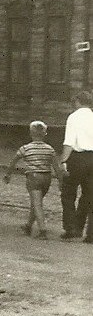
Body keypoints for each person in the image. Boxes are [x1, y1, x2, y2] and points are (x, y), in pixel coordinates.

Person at [4, 121, 62, 239]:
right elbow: (57, 167)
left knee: (37, 203)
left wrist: (8, 174)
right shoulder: (49, 149)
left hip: (33, 177)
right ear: (45, 133)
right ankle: (28, 226)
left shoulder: (25, 148)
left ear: (31, 133)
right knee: (36, 203)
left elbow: (13, 161)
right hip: (47, 178)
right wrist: (60, 181)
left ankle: (42, 230)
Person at [59, 90, 93, 242]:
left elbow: (69, 142)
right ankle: (85, 230)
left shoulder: (73, 117)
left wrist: (63, 161)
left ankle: (71, 228)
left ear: (78, 101)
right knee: (89, 195)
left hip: (77, 158)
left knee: (68, 193)